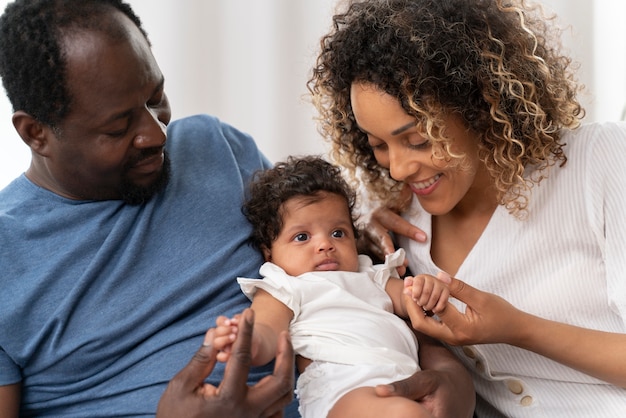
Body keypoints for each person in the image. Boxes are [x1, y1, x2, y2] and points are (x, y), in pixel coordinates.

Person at [0, 0, 474, 416]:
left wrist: (447, 372)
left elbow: (337, 269)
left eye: (155, 98)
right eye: (118, 126)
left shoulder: (216, 146)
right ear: (34, 132)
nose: (156, 135)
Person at [308, 0, 626, 416]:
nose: (399, 167)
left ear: (480, 106)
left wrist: (519, 329)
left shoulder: (599, 161)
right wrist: (360, 238)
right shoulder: (398, 223)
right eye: (378, 145)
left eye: (419, 140)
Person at [212, 156, 451, 417]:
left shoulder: (369, 273)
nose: (325, 245)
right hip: (343, 385)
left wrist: (426, 290)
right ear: (269, 253)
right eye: (302, 237)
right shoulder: (286, 285)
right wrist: (247, 342)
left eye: (338, 233)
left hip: (402, 380)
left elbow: (412, 300)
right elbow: (268, 328)